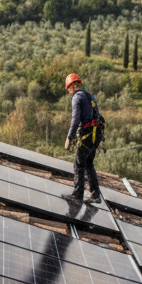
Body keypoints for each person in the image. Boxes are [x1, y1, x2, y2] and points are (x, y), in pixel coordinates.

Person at [61, 73, 103, 205]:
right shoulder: (90, 96)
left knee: (78, 164)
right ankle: (95, 195)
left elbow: (75, 120)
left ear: (72, 86)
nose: (69, 91)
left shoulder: (77, 98)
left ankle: (77, 195)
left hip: (87, 135)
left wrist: (69, 137)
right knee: (89, 163)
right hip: (96, 135)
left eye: (69, 88)